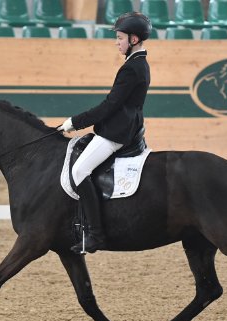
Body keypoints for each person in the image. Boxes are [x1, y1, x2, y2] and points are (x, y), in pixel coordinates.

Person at [59, 12, 151, 254]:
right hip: (128, 127)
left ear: (133, 39)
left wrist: (74, 122)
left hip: (117, 133)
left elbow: (110, 105)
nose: (116, 42)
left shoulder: (133, 68)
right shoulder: (137, 63)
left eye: (120, 38)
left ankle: (95, 235)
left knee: (79, 170)